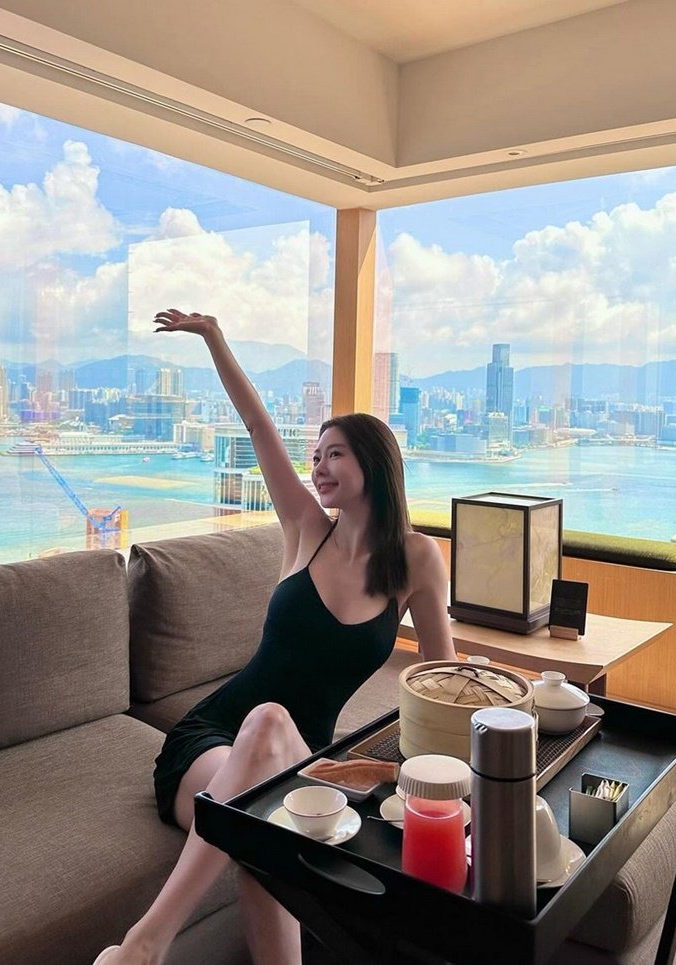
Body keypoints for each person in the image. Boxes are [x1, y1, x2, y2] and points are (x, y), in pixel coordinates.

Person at [94, 310, 456, 965]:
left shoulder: (416, 559)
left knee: (267, 818)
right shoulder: (305, 529)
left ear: (374, 461)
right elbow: (259, 425)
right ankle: (145, 945)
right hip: (210, 741)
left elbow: (441, 683)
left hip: (306, 756)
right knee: (264, 760)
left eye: (334, 453)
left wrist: (443, 773)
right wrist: (213, 337)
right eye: (314, 456)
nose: (318, 466)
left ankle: (143, 948)